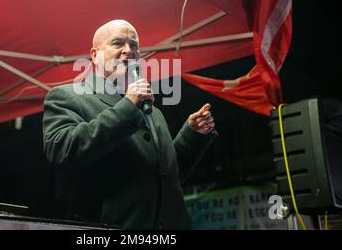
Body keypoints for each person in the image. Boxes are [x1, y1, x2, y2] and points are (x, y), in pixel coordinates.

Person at [42, 20, 218, 229]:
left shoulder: (153, 112)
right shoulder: (67, 97)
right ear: (94, 55)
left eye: (134, 45)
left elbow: (164, 177)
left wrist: (191, 134)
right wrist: (128, 106)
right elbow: (61, 150)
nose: (129, 50)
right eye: (118, 43)